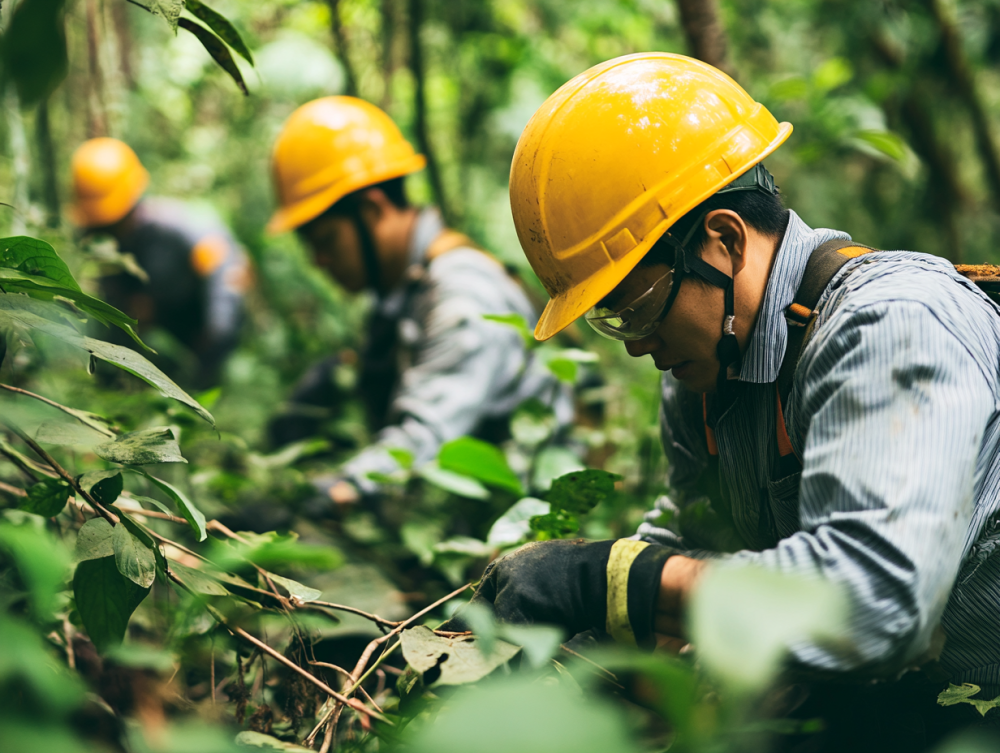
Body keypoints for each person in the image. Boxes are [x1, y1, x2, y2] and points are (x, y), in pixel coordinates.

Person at [459, 52, 1000, 748]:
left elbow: (878, 601)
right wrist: (581, 642)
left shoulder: (891, 325)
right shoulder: (706, 378)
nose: (633, 344)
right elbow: (696, 542)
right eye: (612, 320)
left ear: (723, 240)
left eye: (639, 307)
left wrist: (620, 578)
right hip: (894, 708)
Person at [266, 96, 573, 508]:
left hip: (527, 524)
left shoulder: (460, 291)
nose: (319, 262)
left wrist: (337, 489)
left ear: (372, 209)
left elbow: (428, 433)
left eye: (325, 242)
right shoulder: (406, 289)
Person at [70, 138, 250, 387]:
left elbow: (225, 272)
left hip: (197, 325)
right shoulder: (105, 245)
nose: (107, 232)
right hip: (160, 332)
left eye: (113, 223)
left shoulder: (183, 229)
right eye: (100, 227)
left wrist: (217, 332)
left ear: (133, 205)